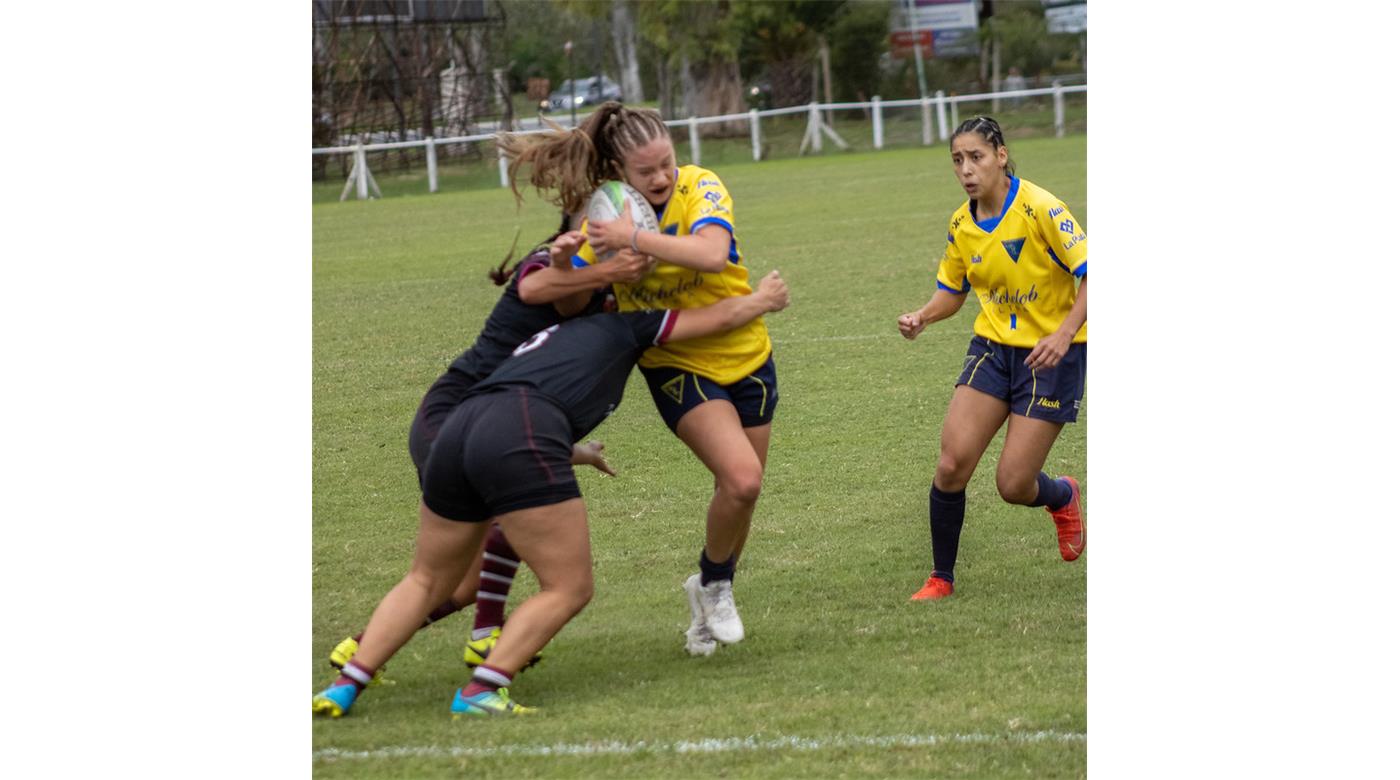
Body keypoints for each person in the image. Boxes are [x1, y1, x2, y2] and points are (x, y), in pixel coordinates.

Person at [312, 266, 790, 718]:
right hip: (521, 430)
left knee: (427, 579)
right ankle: (483, 687)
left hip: (461, 427)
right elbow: (718, 315)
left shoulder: (546, 335)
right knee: (568, 586)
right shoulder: (628, 326)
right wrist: (762, 299)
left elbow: (517, 406)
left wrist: (577, 453)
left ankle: (345, 685)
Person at [323, 213, 654, 681]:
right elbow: (533, 291)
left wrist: (575, 451)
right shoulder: (550, 261)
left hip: (492, 421)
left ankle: (365, 650)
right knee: (496, 527)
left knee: (470, 580)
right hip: (456, 416)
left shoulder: (590, 283)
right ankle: (480, 641)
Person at [499, 102, 776, 656]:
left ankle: (706, 595)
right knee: (742, 479)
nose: (662, 177)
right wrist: (568, 264)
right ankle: (718, 585)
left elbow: (713, 255)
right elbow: (563, 297)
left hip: (749, 352)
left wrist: (636, 239)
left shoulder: (701, 185)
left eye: (667, 163)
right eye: (646, 171)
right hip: (675, 362)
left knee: (739, 495)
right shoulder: (603, 213)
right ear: (620, 172)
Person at [897, 116, 1087, 601]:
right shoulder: (962, 223)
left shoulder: (1041, 208)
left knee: (1013, 484)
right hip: (993, 350)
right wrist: (924, 315)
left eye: (976, 156)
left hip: (1053, 357)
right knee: (951, 464)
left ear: (1001, 155)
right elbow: (951, 292)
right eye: (957, 160)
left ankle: (1062, 494)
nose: (966, 169)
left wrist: (1065, 335)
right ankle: (941, 577)